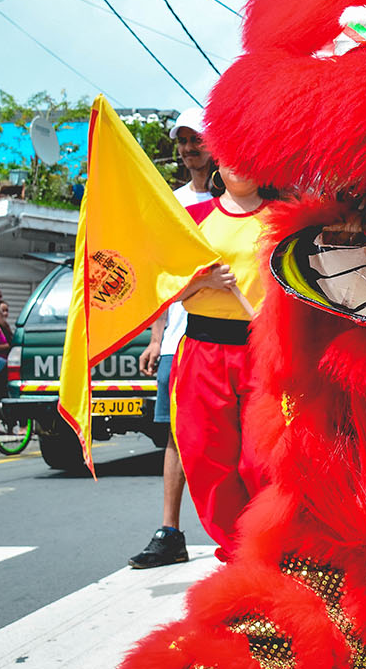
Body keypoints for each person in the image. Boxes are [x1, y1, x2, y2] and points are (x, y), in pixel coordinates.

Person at [169, 170, 276, 563]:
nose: (240, 166)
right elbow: (165, 285)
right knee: (204, 455)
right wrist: (205, 282)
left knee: (261, 457)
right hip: (203, 350)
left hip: (263, 349)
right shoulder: (193, 219)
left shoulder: (283, 218)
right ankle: (239, 553)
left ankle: (271, 545)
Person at [130, 108, 218, 570]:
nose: (188, 149)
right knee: (176, 434)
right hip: (180, 339)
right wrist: (156, 334)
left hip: (230, 336)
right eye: (182, 142)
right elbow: (159, 275)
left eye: (196, 140)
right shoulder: (173, 203)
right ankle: (170, 531)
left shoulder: (240, 196)